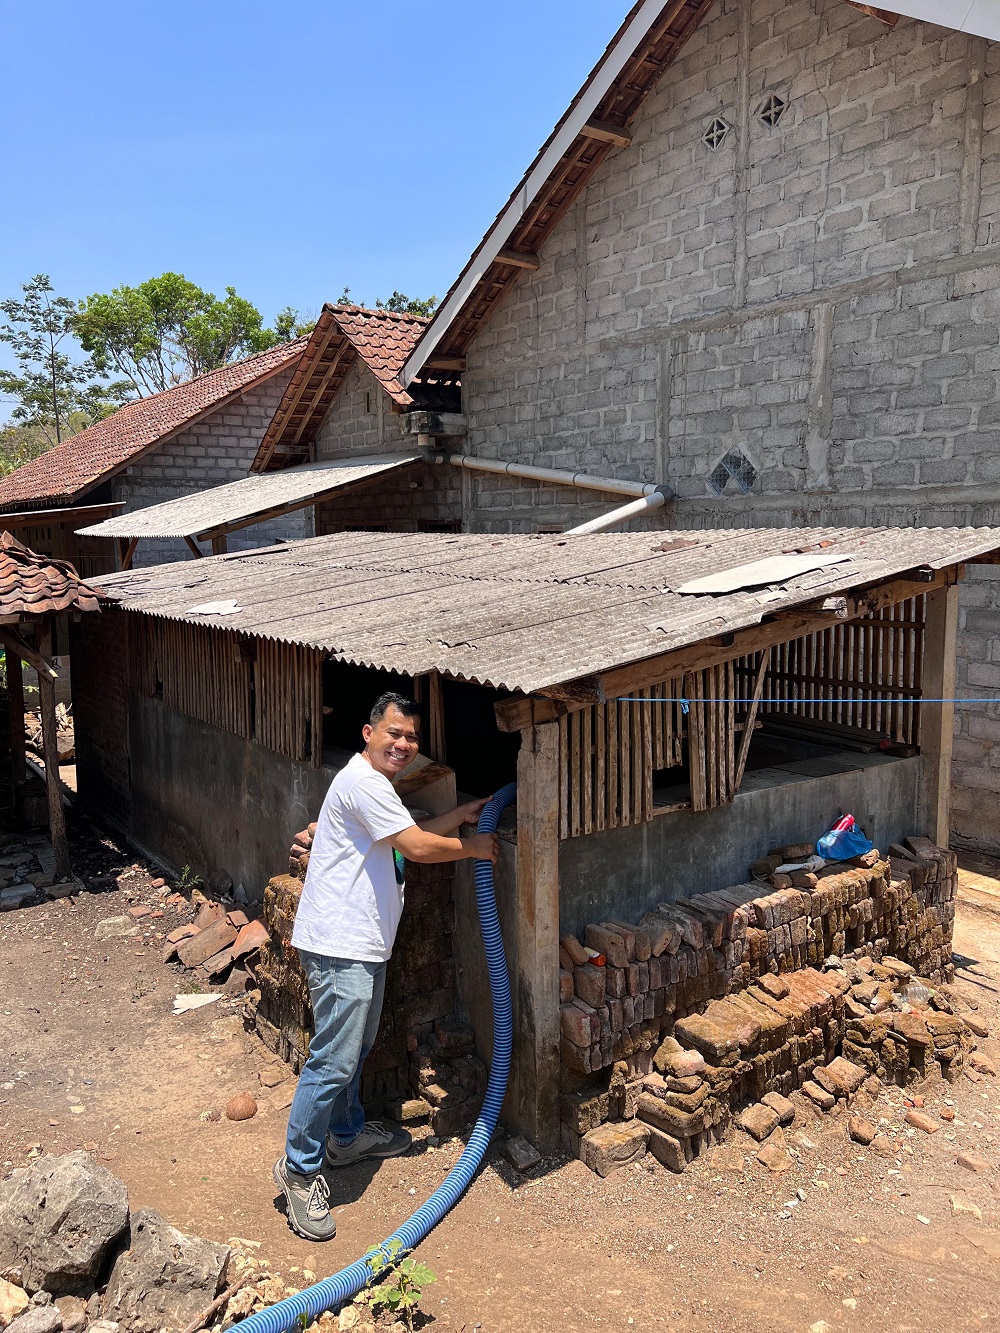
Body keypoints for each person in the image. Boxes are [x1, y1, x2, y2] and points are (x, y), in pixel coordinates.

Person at [272, 691, 499, 1241]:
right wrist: (474, 847)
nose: (403, 744)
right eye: (394, 733)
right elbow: (415, 847)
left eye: (412, 737)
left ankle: (346, 1136)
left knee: (355, 1048)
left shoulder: (374, 784)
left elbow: (402, 837)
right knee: (333, 1058)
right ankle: (299, 1170)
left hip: (363, 943)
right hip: (342, 945)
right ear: (368, 733)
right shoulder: (365, 784)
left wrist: (458, 815)